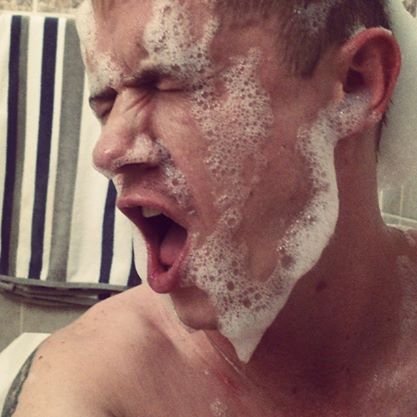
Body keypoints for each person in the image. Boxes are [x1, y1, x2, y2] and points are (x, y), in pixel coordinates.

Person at [4, 0, 417, 416]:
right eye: (105, 102)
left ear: (356, 84)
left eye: (166, 83)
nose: (106, 151)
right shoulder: (94, 386)